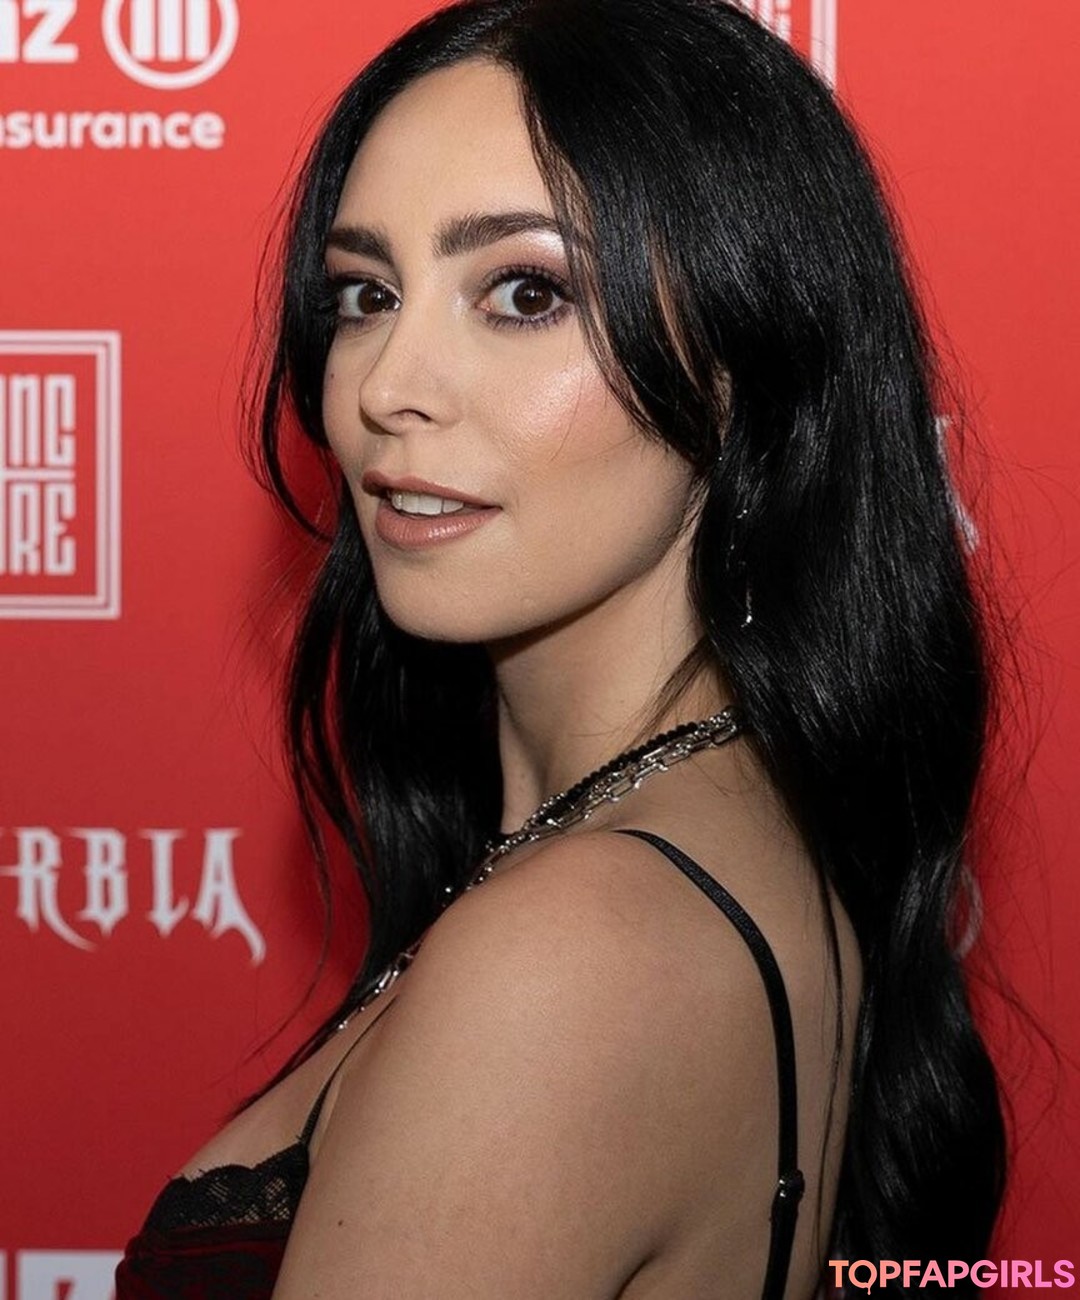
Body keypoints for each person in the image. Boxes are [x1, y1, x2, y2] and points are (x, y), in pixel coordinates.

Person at [115, 0, 1006, 1295]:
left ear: (745, 354)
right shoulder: (743, 834)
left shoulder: (570, 955)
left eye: (524, 293)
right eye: (365, 293)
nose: (385, 387)